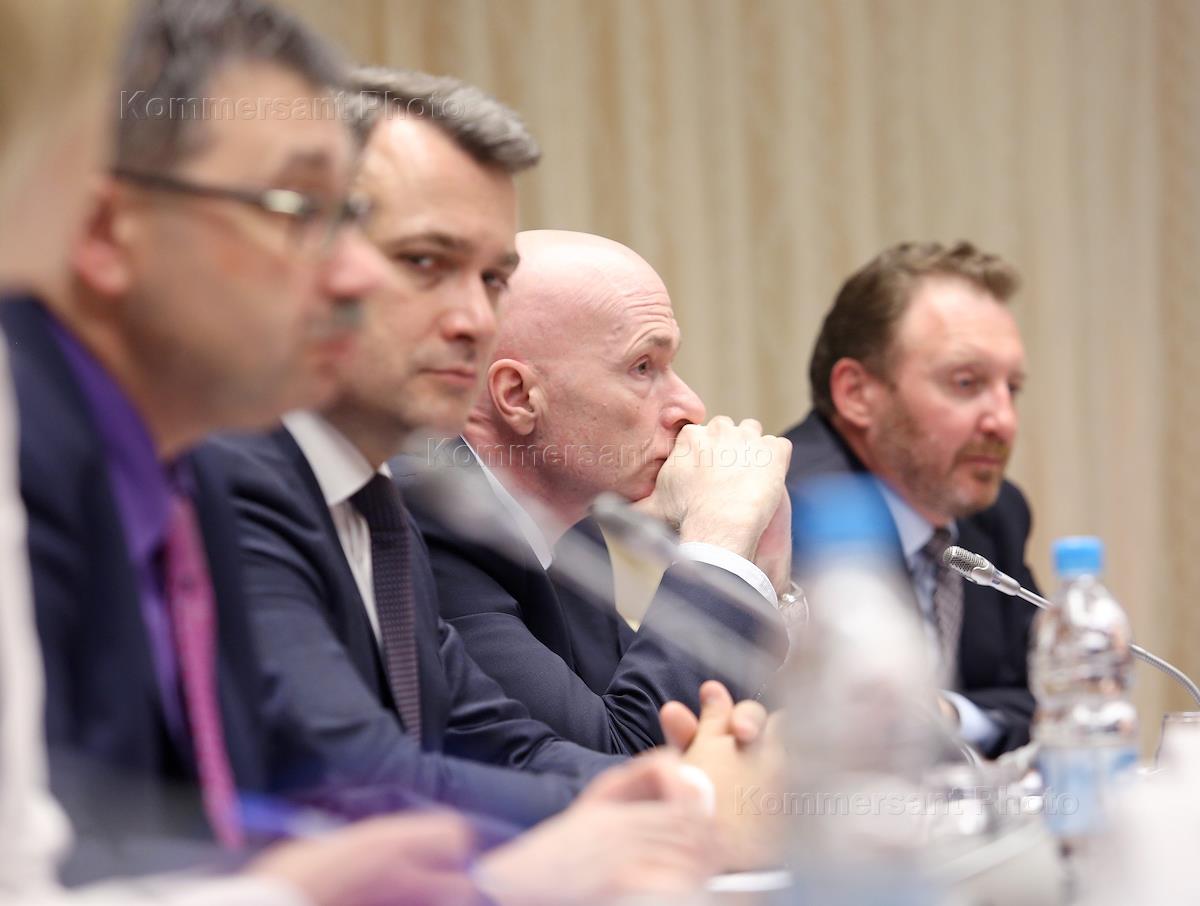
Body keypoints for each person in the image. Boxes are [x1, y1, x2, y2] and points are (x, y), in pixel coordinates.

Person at [0, 2, 488, 905]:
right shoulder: (20, 445)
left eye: (349, 218)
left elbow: (207, 826)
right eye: (297, 208)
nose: (355, 274)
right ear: (106, 233)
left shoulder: (185, 485)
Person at [401, 229, 792, 753]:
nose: (690, 406)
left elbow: (722, 735)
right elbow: (624, 759)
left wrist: (763, 571)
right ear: (518, 396)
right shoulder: (429, 525)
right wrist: (720, 538)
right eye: (642, 367)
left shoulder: (571, 526)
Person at [781, 240, 1038, 758]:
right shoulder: (783, 514)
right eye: (966, 382)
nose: (1003, 421)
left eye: (1011, 388)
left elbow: (1044, 700)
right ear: (856, 394)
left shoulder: (996, 515)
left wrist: (948, 717)